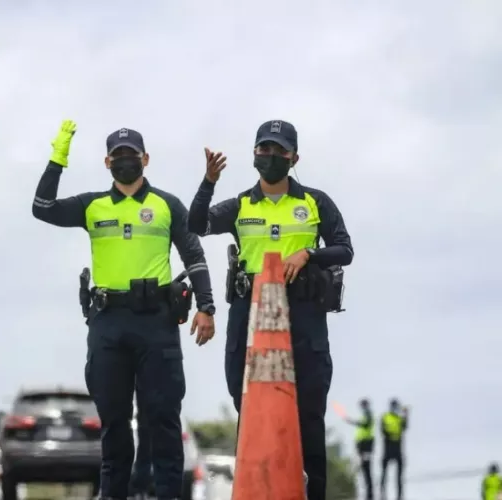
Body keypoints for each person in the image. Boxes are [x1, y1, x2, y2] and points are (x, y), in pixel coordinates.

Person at [32, 120, 217, 500]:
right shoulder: (93, 206)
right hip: (108, 324)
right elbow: (43, 208)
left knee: (163, 419)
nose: (125, 162)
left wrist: (207, 306)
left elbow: (194, 256)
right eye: (118, 157)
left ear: (146, 159)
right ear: (106, 163)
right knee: (114, 425)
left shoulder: (166, 205)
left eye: (132, 155)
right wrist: (58, 157)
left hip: (157, 323)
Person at [187, 119, 354, 500]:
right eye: (264, 149)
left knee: (310, 414)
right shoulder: (241, 205)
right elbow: (197, 224)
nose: (272, 156)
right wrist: (209, 181)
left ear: (294, 157)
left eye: (279, 150)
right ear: (254, 155)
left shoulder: (315, 202)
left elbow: (345, 248)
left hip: (305, 314)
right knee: (245, 402)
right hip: (250, 315)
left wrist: (309, 252)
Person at [344, 398, 375, 500]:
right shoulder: (365, 416)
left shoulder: (369, 415)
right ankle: (366, 492)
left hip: (366, 447)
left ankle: (370, 494)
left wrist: (352, 421)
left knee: (367, 470)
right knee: (363, 470)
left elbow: (365, 425)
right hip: (361, 447)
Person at [380, 398, 409, 500]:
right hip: (388, 449)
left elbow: (405, 427)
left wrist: (406, 415)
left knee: (399, 476)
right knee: (384, 474)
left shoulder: (400, 418)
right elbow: (383, 431)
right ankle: (382, 495)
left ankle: (399, 496)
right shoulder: (385, 417)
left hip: (398, 449)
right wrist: (394, 434)